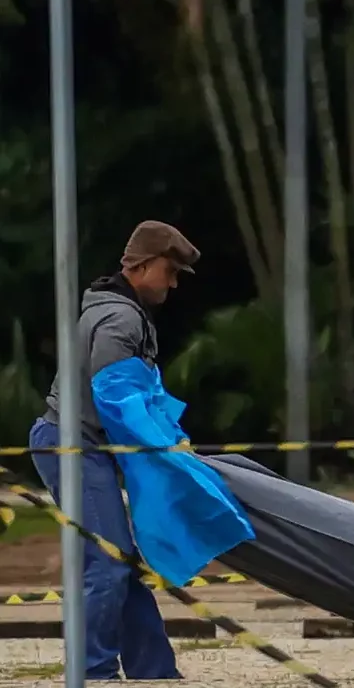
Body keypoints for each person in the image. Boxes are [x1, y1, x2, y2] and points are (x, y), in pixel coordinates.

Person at [28, 220, 200, 680]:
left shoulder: (123, 311)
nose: (174, 282)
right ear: (141, 266)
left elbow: (142, 397)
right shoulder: (120, 318)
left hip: (82, 443)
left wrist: (171, 437)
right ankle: (92, 673)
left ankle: (153, 671)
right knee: (106, 564)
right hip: (71, 444)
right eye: (170, 270)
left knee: (119, 560)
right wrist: (164, 447)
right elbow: (117, 397)